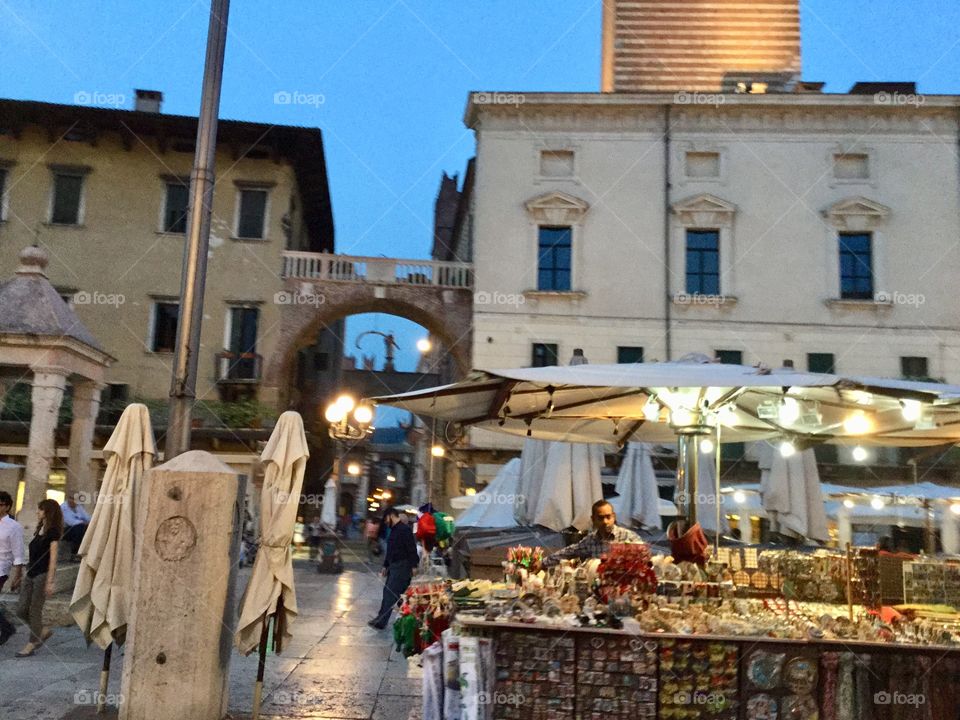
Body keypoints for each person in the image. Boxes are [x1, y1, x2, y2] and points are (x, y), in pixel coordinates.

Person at [15, 499, 63, 657]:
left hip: (42, 575)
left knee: (35, 610)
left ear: (47, 512)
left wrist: (50, 581)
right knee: (22, 610)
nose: (38, 512)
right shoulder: (40, 529)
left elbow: (54, 559)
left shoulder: (53, 532)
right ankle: (42, 630)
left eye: (40, 509)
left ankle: (31, 644)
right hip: (30, 573)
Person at [542, 500, 642, 568]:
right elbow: (568, 552)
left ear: (614, 517)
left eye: (608, 517)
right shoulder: (591, 540)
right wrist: (543, 563)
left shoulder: (629, 537)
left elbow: (644, 558)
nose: (605, 521)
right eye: (600, 518)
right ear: (593, 519)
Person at [368, 507, 420, 630]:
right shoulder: (394, 530)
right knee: (391, 593)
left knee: (392, 594)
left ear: (391, 515)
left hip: (402, 566)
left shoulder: (405, 530)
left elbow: (411, 549)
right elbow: (390, 551)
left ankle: (382, 621)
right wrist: (385, 565)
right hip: (394, 566)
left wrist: (414, 565)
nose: (385, 522)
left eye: (386, 519)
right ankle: (385, 618)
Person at [0, 491, 25, 646]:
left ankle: (7, 627)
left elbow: (18, 552)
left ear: (7, 507)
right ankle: (7, 626)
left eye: (1, 504)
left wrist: (17, 575)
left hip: (2, 567)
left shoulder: (14, 526)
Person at [60, 493, 90, 561]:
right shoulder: (63, 508)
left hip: (78, 528)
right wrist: (83, 522)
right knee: (79, 528)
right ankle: (74, 554)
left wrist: (86, 522)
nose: (73, 500)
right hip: (65, 531)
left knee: (85, 528)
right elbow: (71, 522)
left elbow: (88, 518)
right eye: (71, 498)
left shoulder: (78, 507)